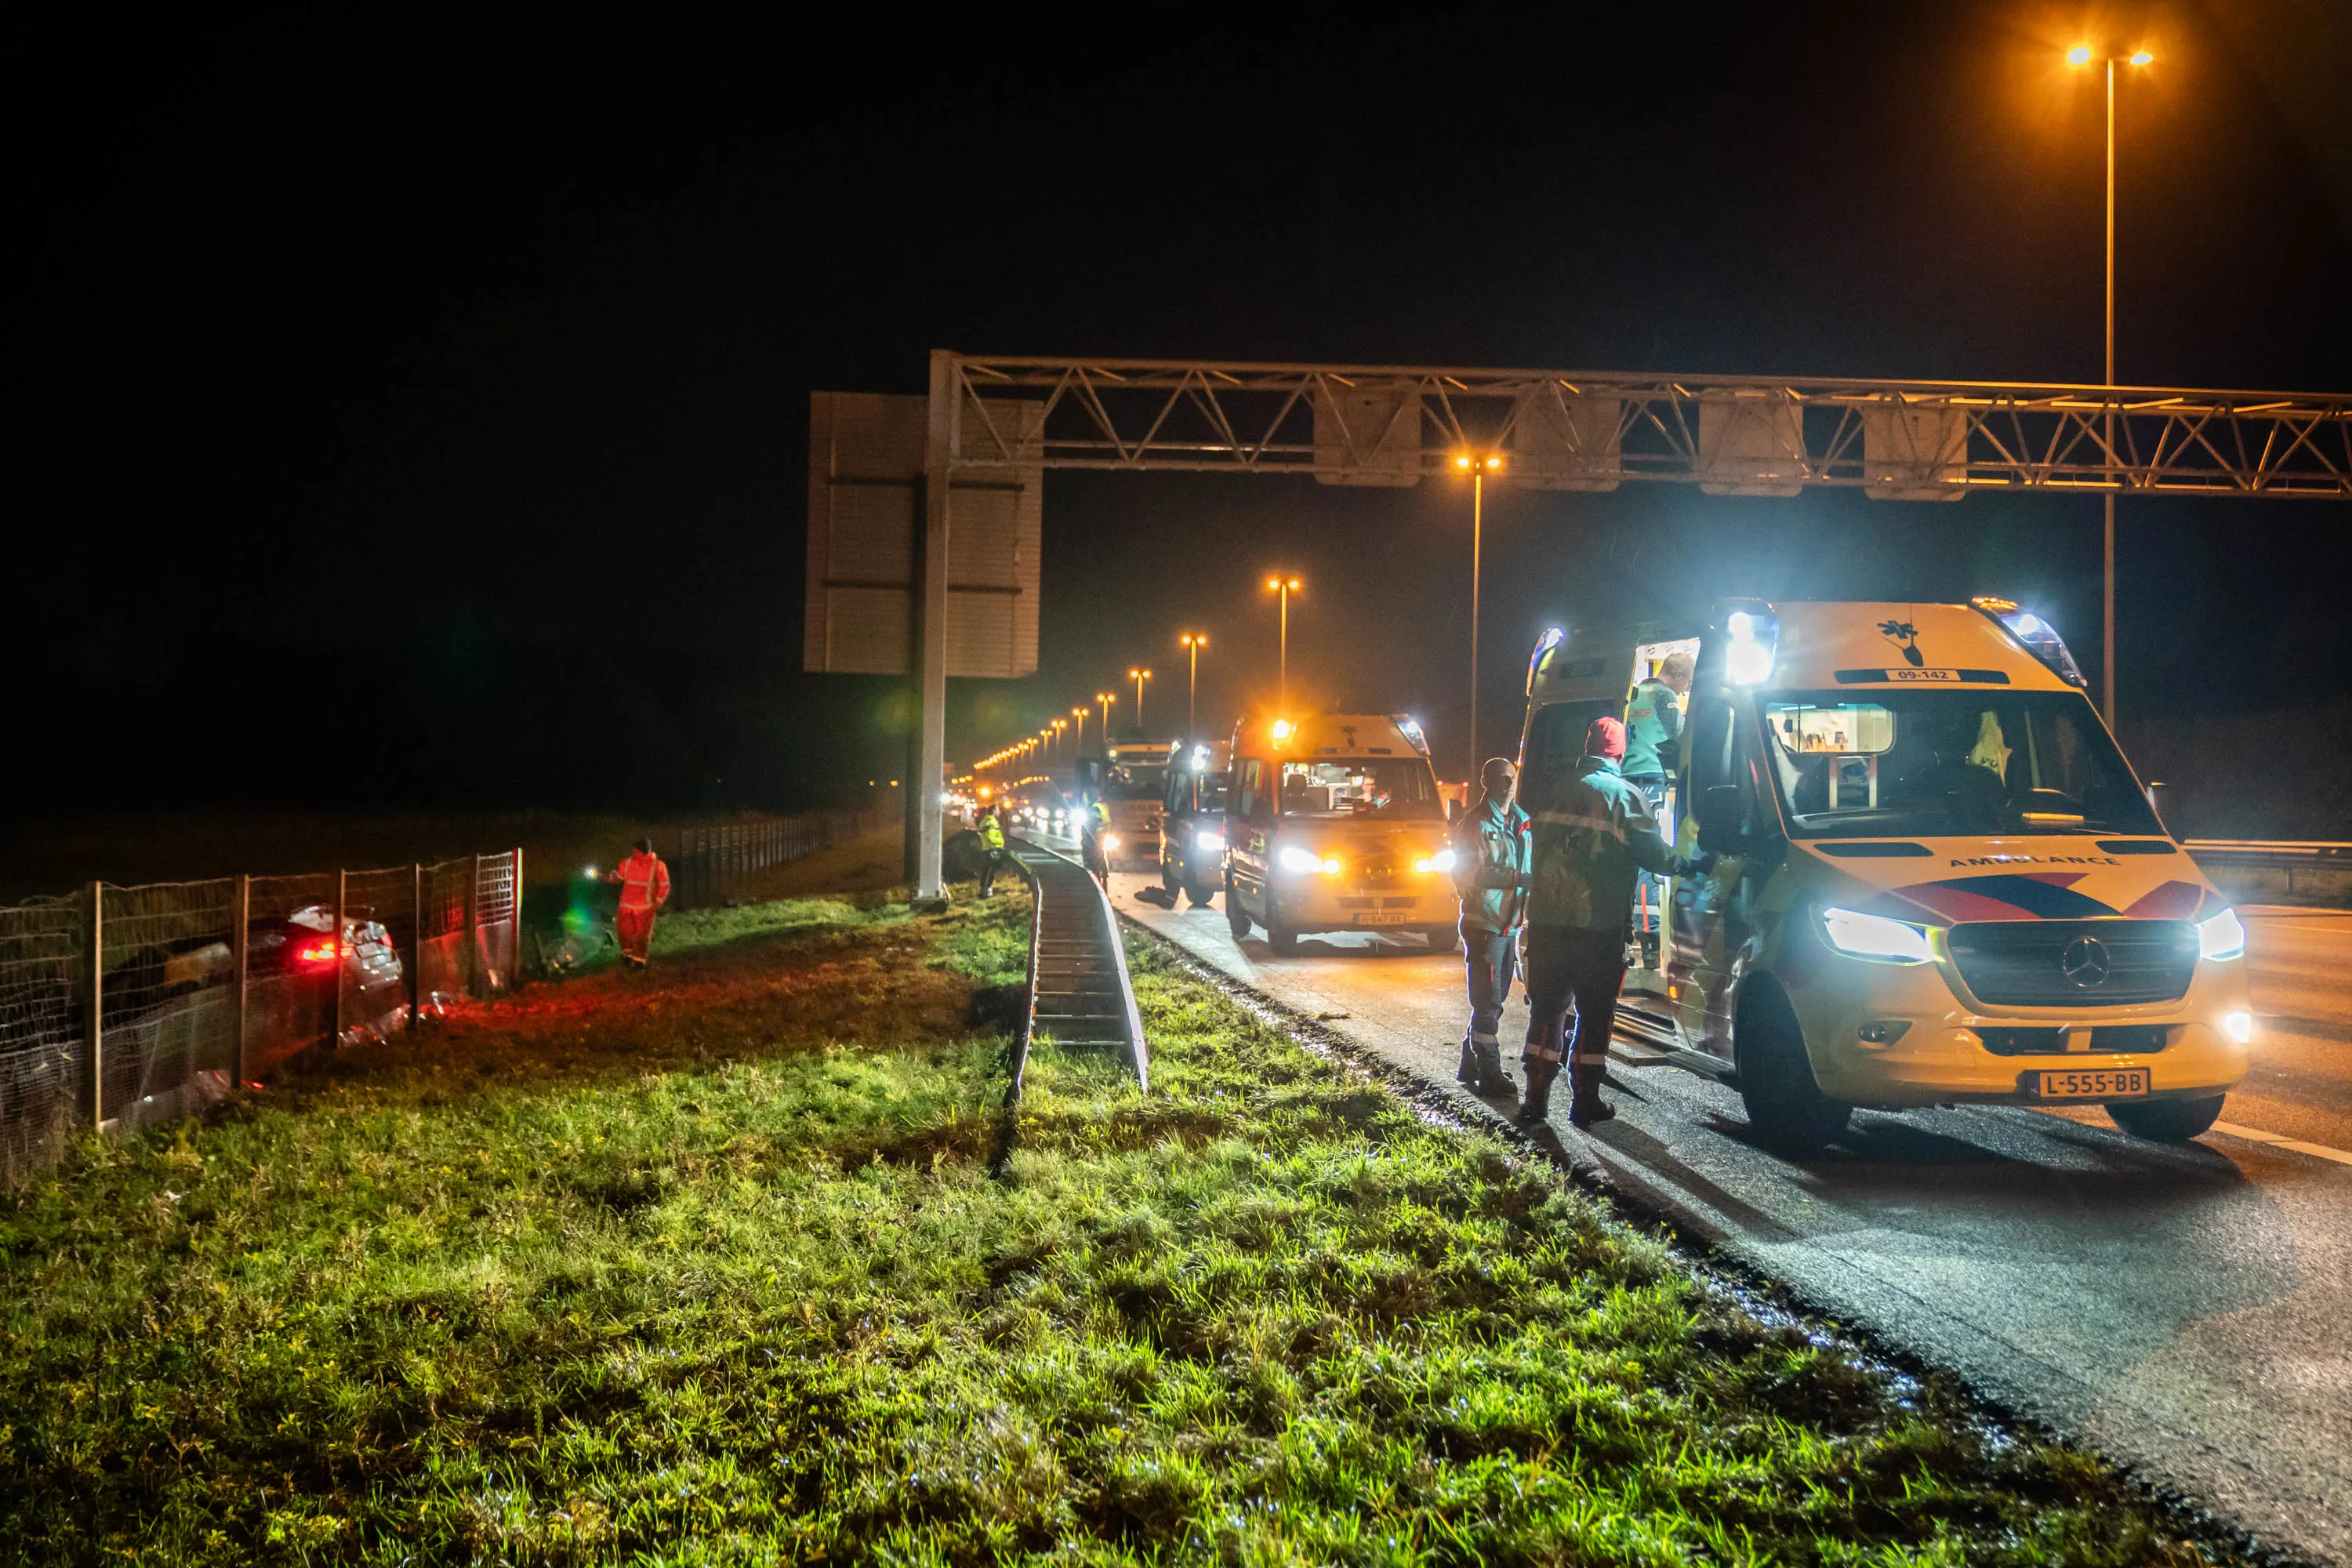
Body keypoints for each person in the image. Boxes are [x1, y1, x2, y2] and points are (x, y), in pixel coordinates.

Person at [1520, 717, 1709, 1127]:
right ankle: (1584, 1100)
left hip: (1548, 924)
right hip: (1598, 927)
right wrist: (1692, 865)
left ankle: (1534, 1100)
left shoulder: (1550, 791)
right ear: (1620, 753)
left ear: (1586, 747)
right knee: (1594, 1014)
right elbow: (1656, 856)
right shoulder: (1625, 796)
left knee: (1546, 1012)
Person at [1450, 757, 1530, 1098]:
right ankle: (1490, 1073)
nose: (1507, 784)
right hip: (1485, 920)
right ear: (1486, 781)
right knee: (1489, 999)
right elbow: (1471, 873)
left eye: (1510, 777)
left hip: (1509, 922)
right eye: (1499, 778)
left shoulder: (1522, 821)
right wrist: (1518, 879)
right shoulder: (1476, 824)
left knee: (1493, 1000)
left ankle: (1472, 1063)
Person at [1622, 650, 1693, 967]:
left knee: (1630, 854)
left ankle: (1636, 932)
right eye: (1687, 682)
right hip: (1654, 779)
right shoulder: (1665, 697)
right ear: (1676, 675)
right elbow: (1682, 737)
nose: (1686, 689)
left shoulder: (1634, 693)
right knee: (1653, 855)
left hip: (1628, 778)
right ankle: (1650, 939)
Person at [604, 837, 672, 970]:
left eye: (635, 850)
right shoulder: (627, 863)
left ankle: (639, 960)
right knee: (624, 933)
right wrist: (608, 877)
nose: (633, 852)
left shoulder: (657, 866)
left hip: (645, 908)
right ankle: (627, 956)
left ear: (642, 851)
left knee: (642, 935)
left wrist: (656, 903)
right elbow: (620, 877)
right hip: (626, 906)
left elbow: (665, 886)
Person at [975, 805, 1009, 895]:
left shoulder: (984, 820)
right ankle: (987, 890)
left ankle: (982, 889)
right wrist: (1000, 842)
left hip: (985, 848)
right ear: (994, 811)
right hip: (993, 849)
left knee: (985, 870)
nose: (999, 812)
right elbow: (991, 836)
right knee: (991, 871)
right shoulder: (992, 821)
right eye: (998, 810)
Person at [1082, 793, 1111, 887]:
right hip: (1101, 835)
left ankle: (1096, 879)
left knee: (1094, 858)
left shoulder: (1094, 808)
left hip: (1095, 836)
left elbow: (1092, 823)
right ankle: (1104, 877)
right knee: (1100, 856)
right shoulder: (1102, 807)